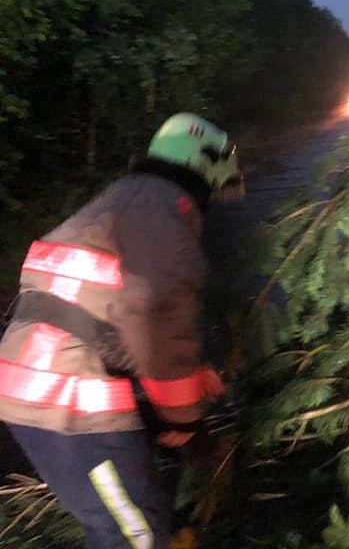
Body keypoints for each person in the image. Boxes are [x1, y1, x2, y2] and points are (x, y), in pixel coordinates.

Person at [0, 113, 243, 549]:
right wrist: (185, 417)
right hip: (70, 401)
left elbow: (96, 314)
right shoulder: (166, 211)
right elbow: (158, 317)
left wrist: (187, 380)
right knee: (133, 537)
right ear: (204, 170)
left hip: (38, 381)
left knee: (134, 516)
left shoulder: (124, 200)